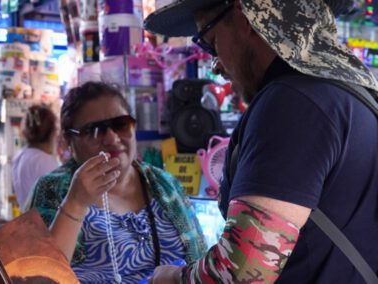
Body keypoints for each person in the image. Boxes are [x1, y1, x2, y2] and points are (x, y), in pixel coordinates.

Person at [144, 0, 378, 283]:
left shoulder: (292, 103)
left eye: (210, 43)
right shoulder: (350, 94)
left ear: (246, 17)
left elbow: (242, 272)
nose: (215, 66)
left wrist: (171, 278)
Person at [26, 81, 207, 283]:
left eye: (121, 124)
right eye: (94, 130)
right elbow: (38, 279)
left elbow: (201, 264)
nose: (112, 138)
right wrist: (76, 204)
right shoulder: (53, 189)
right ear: (69, 141)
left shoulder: (165, 184)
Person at [12, 105, 59, 210]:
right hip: (44, 223)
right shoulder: (44, 160)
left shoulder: (20, 156)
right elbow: (54, 203)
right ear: (52, 132)